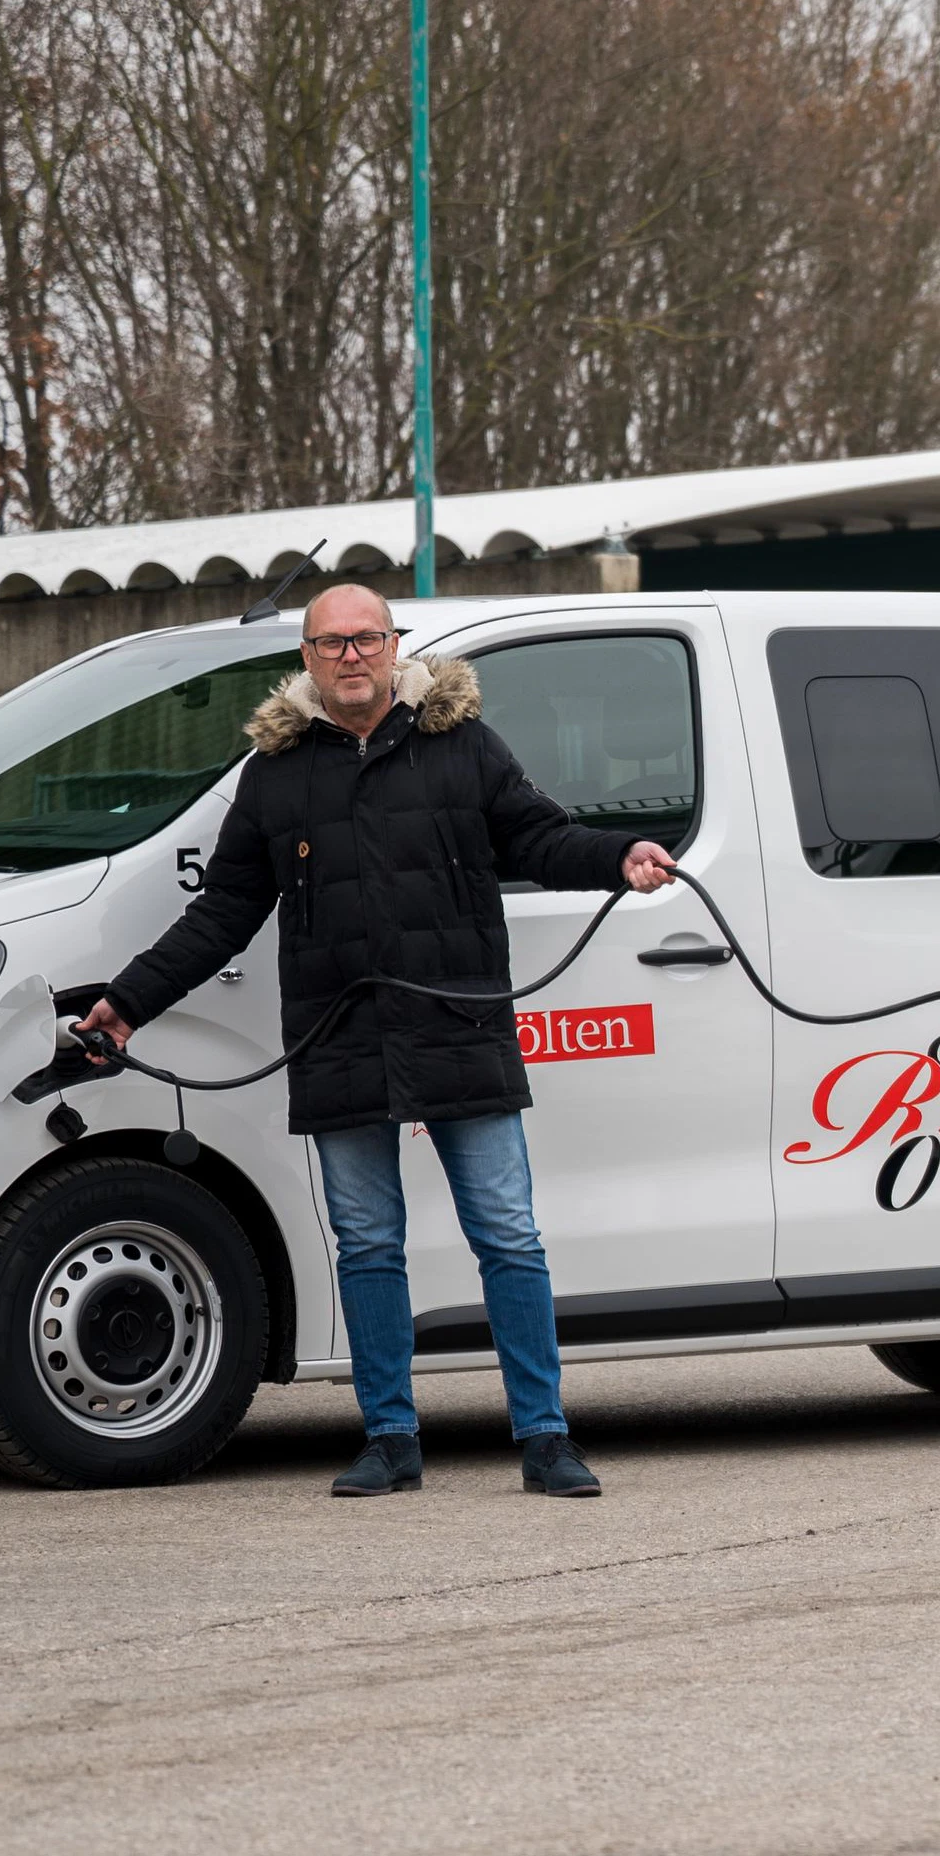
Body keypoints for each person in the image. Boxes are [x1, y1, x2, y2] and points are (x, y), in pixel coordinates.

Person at [79, 583, 675, 1500]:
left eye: (366, 639)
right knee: (366, 1245)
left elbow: (540, 839)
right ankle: (390, 1438)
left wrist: (618, 855)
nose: (350, 656)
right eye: (332, 643)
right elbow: (223, 912)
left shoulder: (463, 744)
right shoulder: (276, 773)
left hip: (460, 1025)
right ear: (308, 658)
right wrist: (129, 1003)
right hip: (339, 1036)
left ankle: (545, 1436)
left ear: (394, 647)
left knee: (508, 1237)